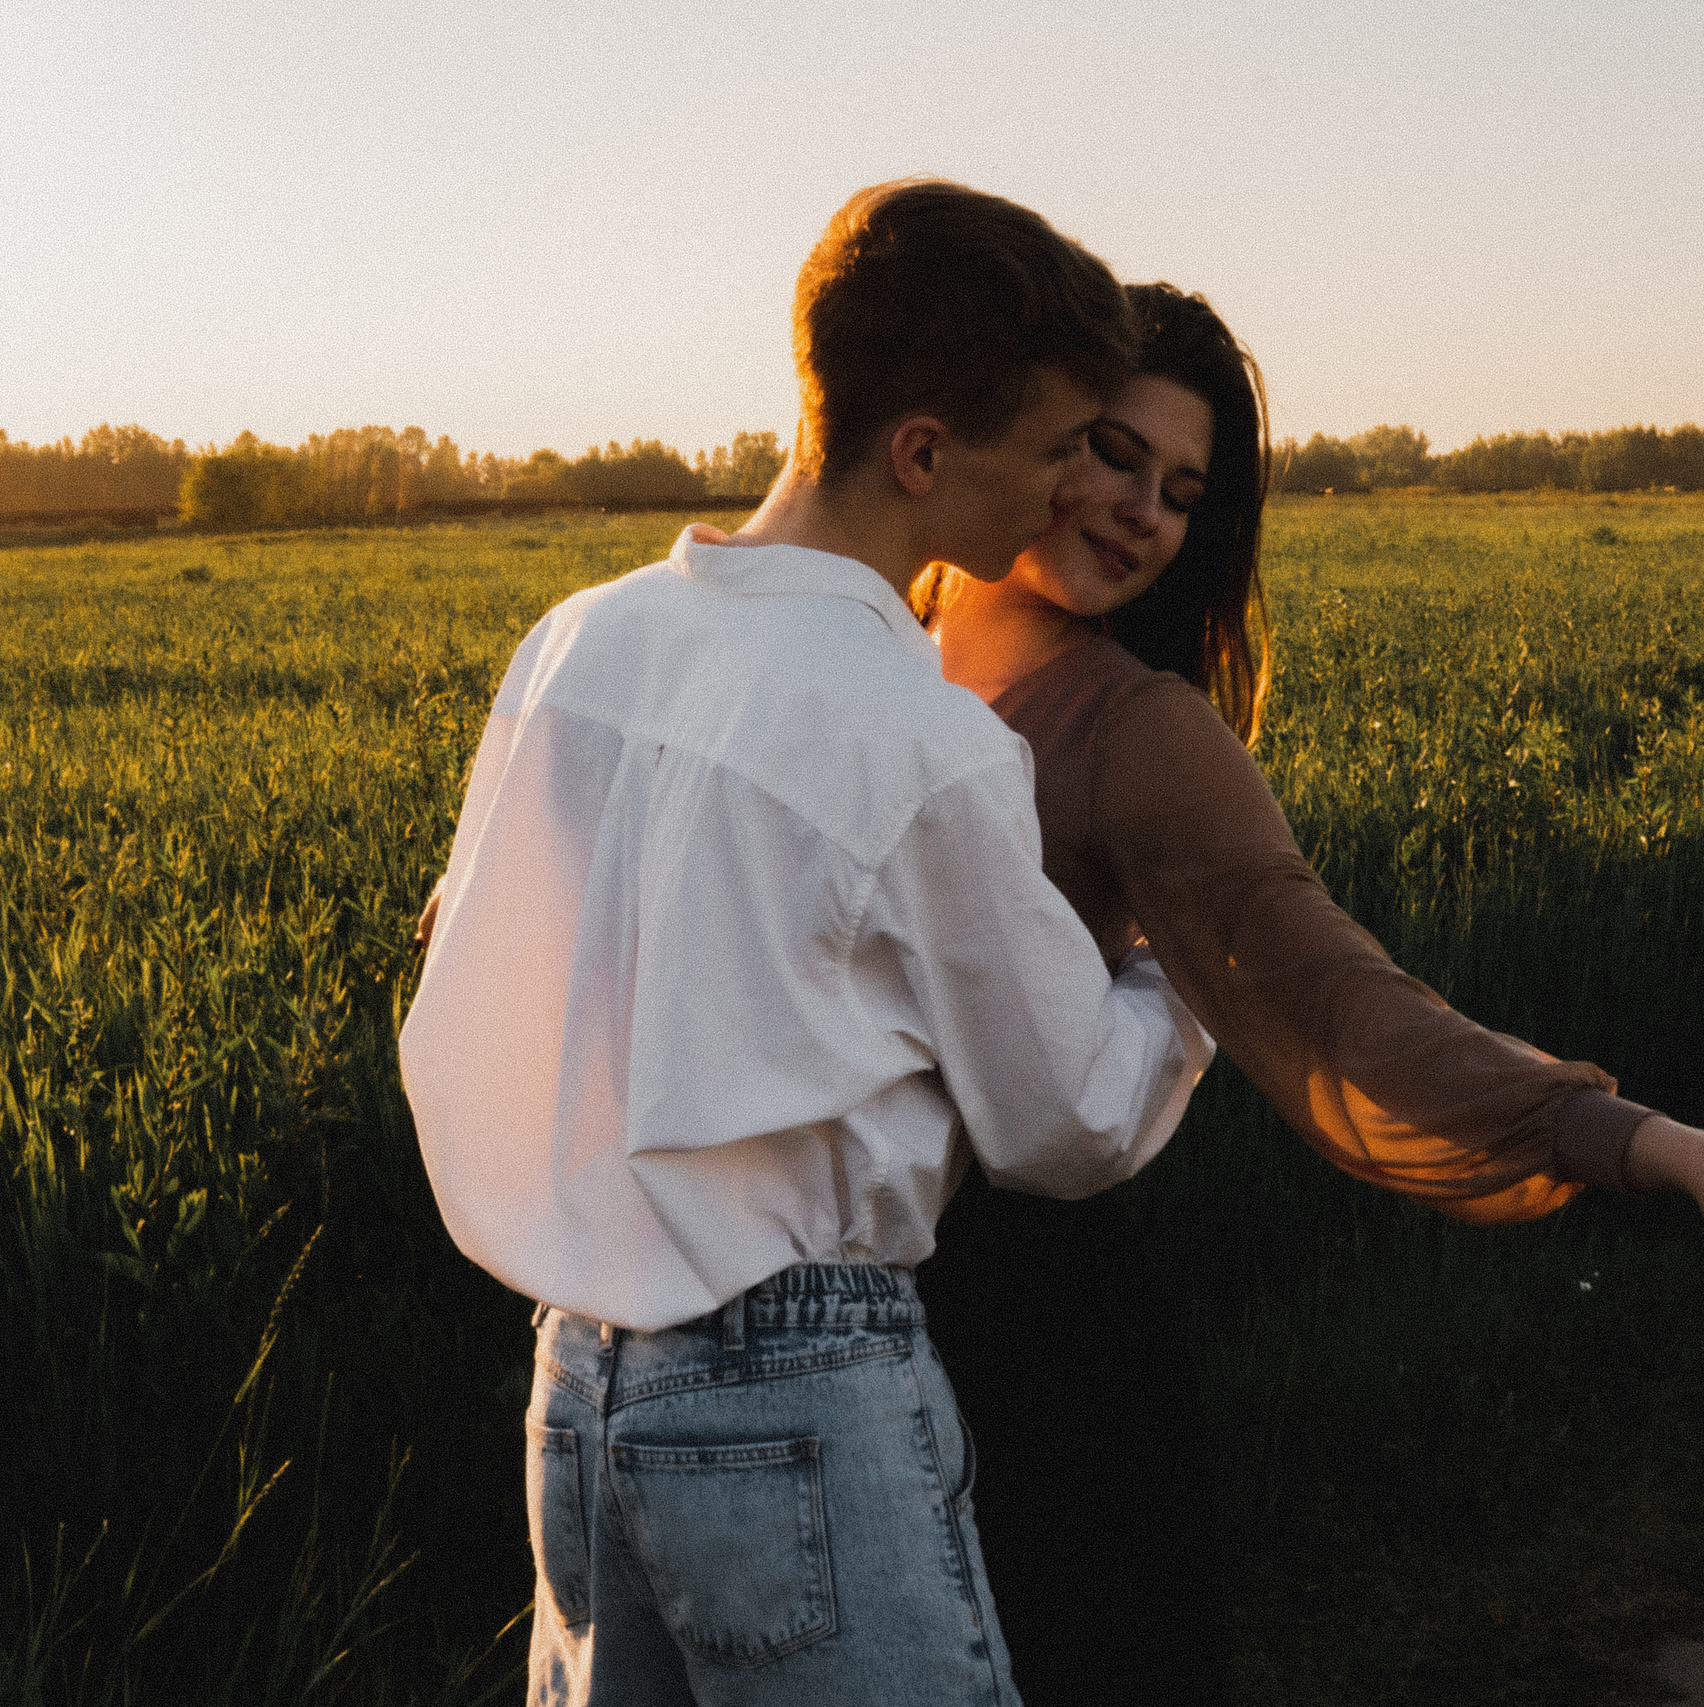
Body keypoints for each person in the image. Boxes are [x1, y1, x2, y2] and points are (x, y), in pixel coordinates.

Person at [907, 283, 1704, 1701]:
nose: (1141, 512)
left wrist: (1671, 1150)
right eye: (1114, 454)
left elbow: (1335, 999)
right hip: (775, 1335)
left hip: (1026, 1347)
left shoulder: (1136, 732)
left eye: (1183, 492)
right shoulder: (856, 649)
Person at [399, 181, 1215, 1707]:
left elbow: (476, 989)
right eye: (1050, 451)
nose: (1061, 496)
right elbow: (1070, 1120)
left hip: (575, 1378)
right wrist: (1182, 979)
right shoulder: (921, 735)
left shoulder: (577, 642)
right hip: (805, 1377)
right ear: (922, 452)